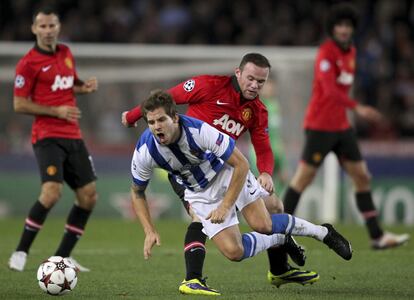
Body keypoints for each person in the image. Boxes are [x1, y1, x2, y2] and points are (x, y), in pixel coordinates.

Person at [122, 53, 318, 295]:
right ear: (238, 73)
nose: (255, 85)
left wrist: (266, 172)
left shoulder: (257, 110)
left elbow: (263, 146)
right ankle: (192, 279)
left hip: (225, 169)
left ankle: (278, 270)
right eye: (250, 78)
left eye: (261, 81)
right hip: (188, 171)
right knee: (199, 216)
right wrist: (132, 116)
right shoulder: (207, 86)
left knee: (274, 205)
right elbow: (165, 99)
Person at [282, 3, 410, 249]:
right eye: (339, 25)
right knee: (303, 179)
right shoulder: (326, 54)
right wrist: (357, 106)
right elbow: (329, 90)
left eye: (347, 25)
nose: (343, 29)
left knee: (361, 176)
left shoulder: (350, 51)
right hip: (320, 126)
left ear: (352, 29)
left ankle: (377, 236)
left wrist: (350, 109)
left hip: (342, 128)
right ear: (332, 28)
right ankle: (279, 233)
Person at [8, 7, 98, 272]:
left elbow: (66, 85)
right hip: (47, 136)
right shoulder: (27, 63)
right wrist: (55, 111)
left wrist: (84, 88)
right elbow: (19, 104)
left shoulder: (66, 53)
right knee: (51, 192)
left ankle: (62, 257)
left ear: (58, 27)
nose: (47, 31)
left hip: (73, 134)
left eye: (52, 26)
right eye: (42, 26)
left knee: (89, 196)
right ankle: (21, 251)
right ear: (34, 29)